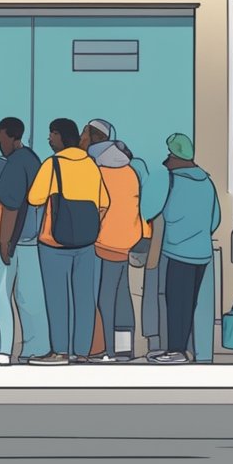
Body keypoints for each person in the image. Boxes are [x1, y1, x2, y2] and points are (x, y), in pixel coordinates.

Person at [26, 118, 108, 365]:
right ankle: (81, 352)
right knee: (84, 298)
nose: (49, 139)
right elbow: (103, 203)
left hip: (55, 242)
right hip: (86, 242)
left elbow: (35, 198)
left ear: (61, 136)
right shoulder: (91, 165)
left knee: (57, 297)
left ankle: (60, 352)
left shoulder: (52, 164)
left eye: (52, 134)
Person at [0, 117, 47, 365]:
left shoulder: (12, 164)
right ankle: (36, 348)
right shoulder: (32, 159)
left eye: (0, 134)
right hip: (32, 238)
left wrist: (3, 242)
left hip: (14, 240)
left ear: (10, 136)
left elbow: (10, 206)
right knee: (30, 297)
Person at [150, 133, 221, 364]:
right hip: (202, 252)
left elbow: (149, 211)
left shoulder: (170, 180)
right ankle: (190, 351)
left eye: (170, 155)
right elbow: (215, 220)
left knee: (176, 302)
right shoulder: (207, 182)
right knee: (191, 304)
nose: (167, 161)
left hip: (176, 250)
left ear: (177, 157)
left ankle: (176, 351)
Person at [83, 119, 143, 363]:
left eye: (84, 134)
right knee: (121, 297)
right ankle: (123, 349)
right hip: (126, 240)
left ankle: (106, 350)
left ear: (95, 139)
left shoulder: (96, 169)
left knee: (103, 298)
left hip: (102, 241)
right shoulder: (129, 169)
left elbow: (96, 207)